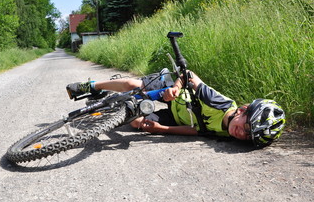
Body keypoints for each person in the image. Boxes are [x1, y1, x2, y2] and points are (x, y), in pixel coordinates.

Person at [66, 69, 286, 148]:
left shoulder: (226, 133)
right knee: (135, 86)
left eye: (248, 137)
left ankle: (111, 101)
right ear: (242, 110)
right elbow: (188, 74)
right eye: (246, 127)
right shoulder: (220, 103)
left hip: (177, 117)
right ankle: (92, 86)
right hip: (174, 95)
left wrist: (161, 129)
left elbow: (197, 131)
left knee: (136, 121)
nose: (242, 133)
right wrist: (175, 87)